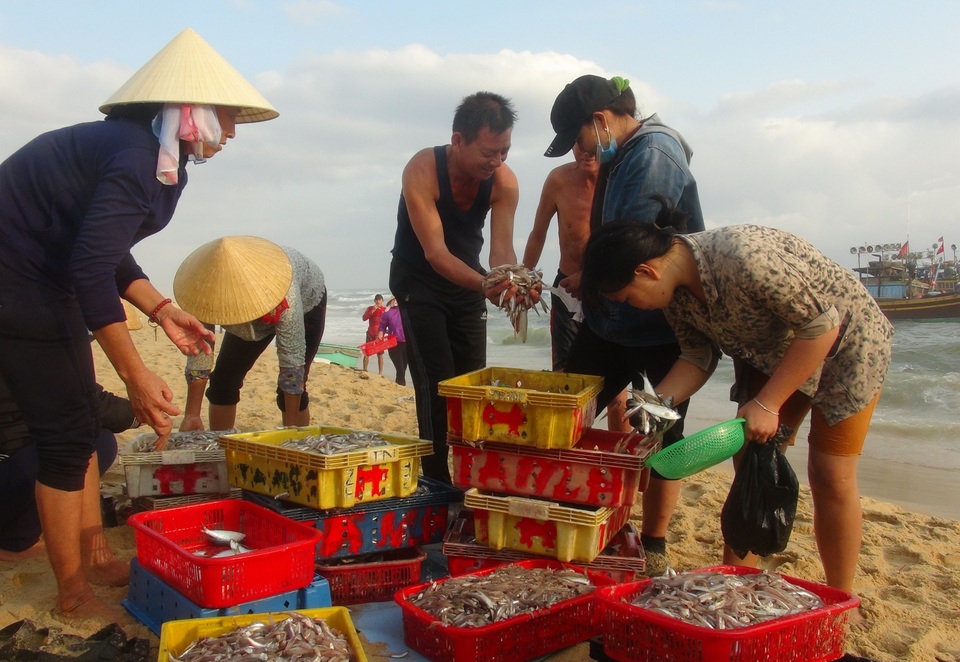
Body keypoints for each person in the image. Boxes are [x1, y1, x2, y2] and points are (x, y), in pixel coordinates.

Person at [0, 28, 277, 621]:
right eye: (226, 116)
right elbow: (89, 266)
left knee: (78, 425)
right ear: (190, 111)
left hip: (47, 279)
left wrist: (163, 310)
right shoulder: (131, 157)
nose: (231, 131)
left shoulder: (153, 155)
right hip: (16, 286)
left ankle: (95, 557)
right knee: (63, 436)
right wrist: (134, 372)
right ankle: (70, 586)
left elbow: (108, 250)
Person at [580, 204, 894, 595]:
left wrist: (768, 403)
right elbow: (698, 356)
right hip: (771, 352)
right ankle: (738, 585)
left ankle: (843, 595)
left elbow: (820, 325)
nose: (631, 307)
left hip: (846, 347)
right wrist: (656, 403)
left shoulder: (741, 256)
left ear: (647, 271)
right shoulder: (674, 294)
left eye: (627, 297)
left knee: (830, 475)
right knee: (748, 461)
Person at [544, 74, 705, 573]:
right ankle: (572, 512)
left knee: (662, 436)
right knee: (563, 412)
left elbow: (628, 242)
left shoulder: (654, 151)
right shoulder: (620, 153)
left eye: (577, 137)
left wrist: (587, 276)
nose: (578, 150)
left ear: (600, 120)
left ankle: (653, 544)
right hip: (608, 319)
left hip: (658, 324)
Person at [389, 91, 522, 484]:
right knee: (437, 385)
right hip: (419, 282)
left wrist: (511, 281)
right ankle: (436, 482)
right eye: (489, 152)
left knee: (470, 386)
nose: (496, 161)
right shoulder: (422, 170)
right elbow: (435, 253)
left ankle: (469, 476)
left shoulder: (504, 182)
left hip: (468, 283)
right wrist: (485, 284)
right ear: (459, 140)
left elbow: (501, 251)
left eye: (505, 151)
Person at [174, 237, 327, 431]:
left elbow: (292, 361)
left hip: (305, 301)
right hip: (255, 302)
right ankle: (222, 447)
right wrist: (192, 415)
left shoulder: (286, 294)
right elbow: (201, 349)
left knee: (290, 387)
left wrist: (289, 437)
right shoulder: (204, 289)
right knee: (223, 382)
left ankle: (297, 438)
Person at [0, 374, 136, 592]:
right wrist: (141, 410)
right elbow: (83, 401)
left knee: (81, 438)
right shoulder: (26, 346)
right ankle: (15, 542)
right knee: (89, 441)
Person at [522, 144, 598, 372]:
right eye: (579, 144)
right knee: (565, 374)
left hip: (607, 290)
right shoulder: (558, 179)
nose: (586, 151)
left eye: (593, 145)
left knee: (613, 387)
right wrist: (524, 279)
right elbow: (538, 234)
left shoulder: (619, 177)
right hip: (567, 289)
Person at [378, 298, 408, 386]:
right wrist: (380, 333)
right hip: (393, 343)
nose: (395, 301)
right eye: (393, 300)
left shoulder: (406, 310)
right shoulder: (387, 313)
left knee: (403, 369)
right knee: (400, 369)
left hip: (406, 343)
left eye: (397, 299)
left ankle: (398, 385)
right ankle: (403, 387)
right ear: (390, 302)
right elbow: (382, 326)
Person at [362, 294, 386, 375]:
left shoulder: (385, 310)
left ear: (382, 301)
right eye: (376, 300)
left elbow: (389, 322)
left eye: (379, 300)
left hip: (379, 334)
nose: (378, 301)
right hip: (370, 333)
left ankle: (380, 373)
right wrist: (372, 310)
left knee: (380, 354)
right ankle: (365, 369)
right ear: (374, 301)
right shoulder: (370, 308)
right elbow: (364, 318)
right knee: (367, 352)